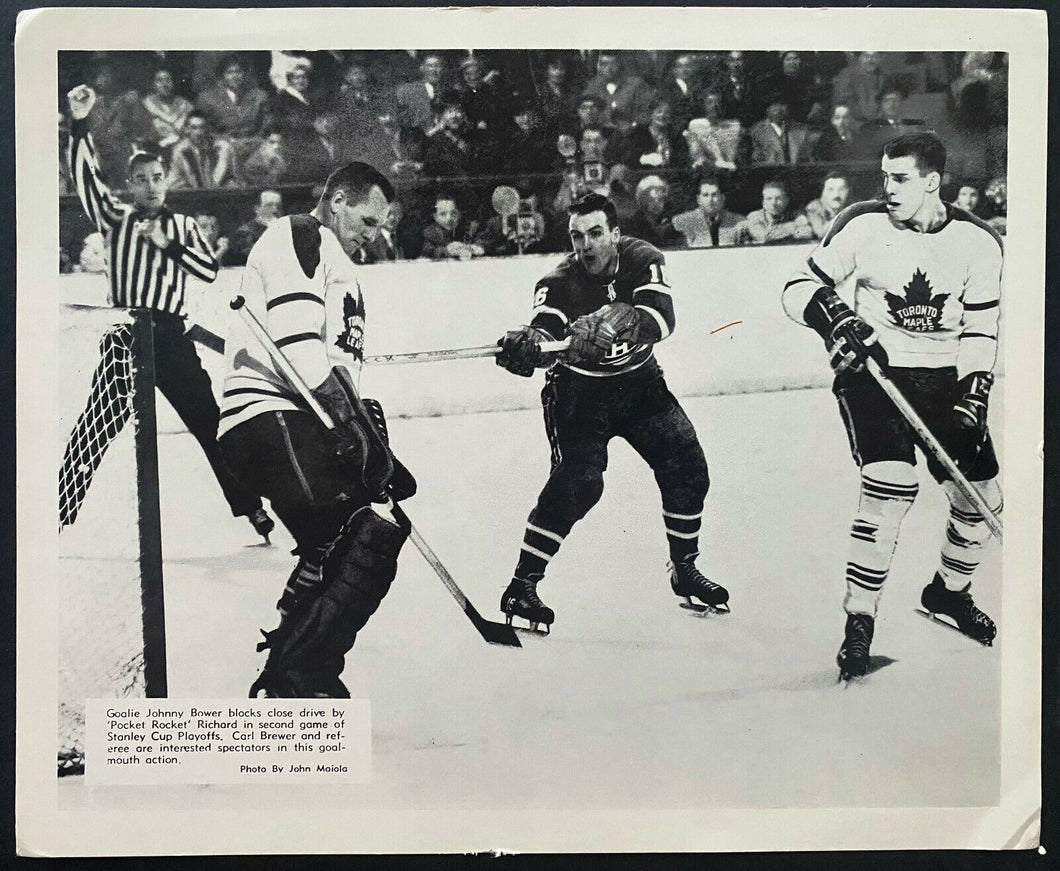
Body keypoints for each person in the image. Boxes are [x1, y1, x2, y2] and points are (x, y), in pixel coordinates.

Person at [781, 132, 1002, 680]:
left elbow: (979, 328)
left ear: (934, 181)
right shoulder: (862, 222)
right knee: (889, 485)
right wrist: (834, 316)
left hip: (945, 380)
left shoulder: (980, 243)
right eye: (884, 177)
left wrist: (975, 392)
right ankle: (859, 621)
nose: (888, 189)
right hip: (873, 374)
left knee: (981, 501)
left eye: (900, 179)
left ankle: (948, 594)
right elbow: (795, 285)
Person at [216, 162, 416, 698]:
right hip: (267, 415)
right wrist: (354, 429)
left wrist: (371, 441)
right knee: (360, 538)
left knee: (348, 541)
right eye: (367, 221)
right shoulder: (303, 236)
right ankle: (300, 676)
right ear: (337, 202)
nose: (373, 236)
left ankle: (291, 657)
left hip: (294, 420)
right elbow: (299, 350)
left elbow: (338, 367)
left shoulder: (336, 261)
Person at [493, 192, 725, 633]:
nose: (587, 245)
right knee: (580, 483)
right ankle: (521, 585)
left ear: (616, 234)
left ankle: (685, 567)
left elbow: (662, 319)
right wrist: (529, 347)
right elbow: (544, 333)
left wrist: (621, 320)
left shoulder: (644, 257)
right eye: (577, 236)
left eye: (596, 233)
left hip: (639, 386)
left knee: (688, 465)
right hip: (579, 395)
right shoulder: (559, 280)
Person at [65, 83, 274, 542]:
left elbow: (209, 271)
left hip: (171, 337)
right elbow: (84, 177)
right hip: (124, 337)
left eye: (158, 177)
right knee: (96, 428)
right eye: (142, 178)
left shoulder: (181, 224)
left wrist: (169, 244)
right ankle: (60, 508)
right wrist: (79, 122)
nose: (152, 185)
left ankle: (252, 508)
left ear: (167, 179)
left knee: (210, 423)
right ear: (130, 183)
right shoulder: (115, 217)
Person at [672, 174, 745, 248]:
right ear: (698, 199)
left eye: (714, 195)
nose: (710, 200)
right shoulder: (683, 221)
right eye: (705, 195)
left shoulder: (738, 222)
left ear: (722, 198)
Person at [736, 179, 813, 245]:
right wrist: (793, 227)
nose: (773, 203)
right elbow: (763, 236)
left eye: (778, 198)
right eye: (769, 199)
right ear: (763, 202)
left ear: (787, 200)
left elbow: (806, 232)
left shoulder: (796, 214)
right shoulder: (754, 216)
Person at [229, 189, 284, 266]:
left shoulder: (285, 227)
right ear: (257, 209)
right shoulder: (245, 231)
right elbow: (254, 256)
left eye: (277, 205)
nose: (275, 209)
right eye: (269, 205)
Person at [803, 172, 852, 240]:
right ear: (823, 192)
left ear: (847, 191)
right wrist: (843, 216)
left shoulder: (851, 206)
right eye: (830, 190)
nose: (836, 195)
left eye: (841, 189)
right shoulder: (814, 208)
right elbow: (821, 233)